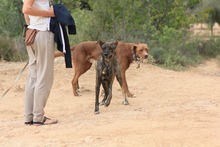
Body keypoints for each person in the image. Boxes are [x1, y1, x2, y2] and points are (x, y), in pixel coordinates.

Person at [22, 0, 58, 126]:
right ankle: (38, 117)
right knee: (44, 76)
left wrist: (32, 25)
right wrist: (48, 13)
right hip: (42, 33)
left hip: (32, 33)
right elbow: (26, 9)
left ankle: (29, 117)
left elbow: (26, 13)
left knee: (33, 76)